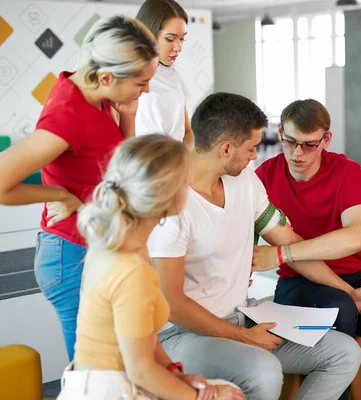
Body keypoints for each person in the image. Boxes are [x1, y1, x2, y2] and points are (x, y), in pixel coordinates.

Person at [148, 92, 361, 400]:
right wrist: (242, 336)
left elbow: (291, 245)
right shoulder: (171, 202)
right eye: (252, 148)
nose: (256, 156)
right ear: (226, 149)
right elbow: (171, 303)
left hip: (241, 316)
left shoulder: (245, 181)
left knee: (344, 353)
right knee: (264, 371)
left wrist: (348, 292)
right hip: (181, 334)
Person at [0, 15, 158, 361]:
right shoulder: (68, 116)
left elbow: (119, 166)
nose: (145, 90)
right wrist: (60, 195)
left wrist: (128, 114)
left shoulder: (93, 94)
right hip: (69, 253)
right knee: (95, 372)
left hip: (92, 245)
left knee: (116, 363)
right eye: (141, 83)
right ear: (106, 76)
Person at [252, 99, 361, 400]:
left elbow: (358, 237)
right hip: (298, 282)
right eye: (290, 141)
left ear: (326, 140)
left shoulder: (346, 170)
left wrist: (281, 253)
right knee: (340, 307)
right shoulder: (263, 177)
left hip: (355, 274)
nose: (297, 153)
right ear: (279, 132)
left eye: (309, 144)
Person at [57, 134, 243, 400]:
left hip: (94, 382)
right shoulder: (133, 271)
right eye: (185, 181)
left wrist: (175, 373)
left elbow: (139, 335)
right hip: (110, 390)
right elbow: (141, 371)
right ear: (167, 196)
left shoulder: (118, 243)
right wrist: (206, 397)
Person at [135, 0, 194, 149]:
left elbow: (187, 132)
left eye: (182, 39)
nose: (178, 47)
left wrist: (180, 158)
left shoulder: (175, 77)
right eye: (170, 39)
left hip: (176, 165)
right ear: (148, 34)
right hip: (146, 164)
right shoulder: (128, 75)